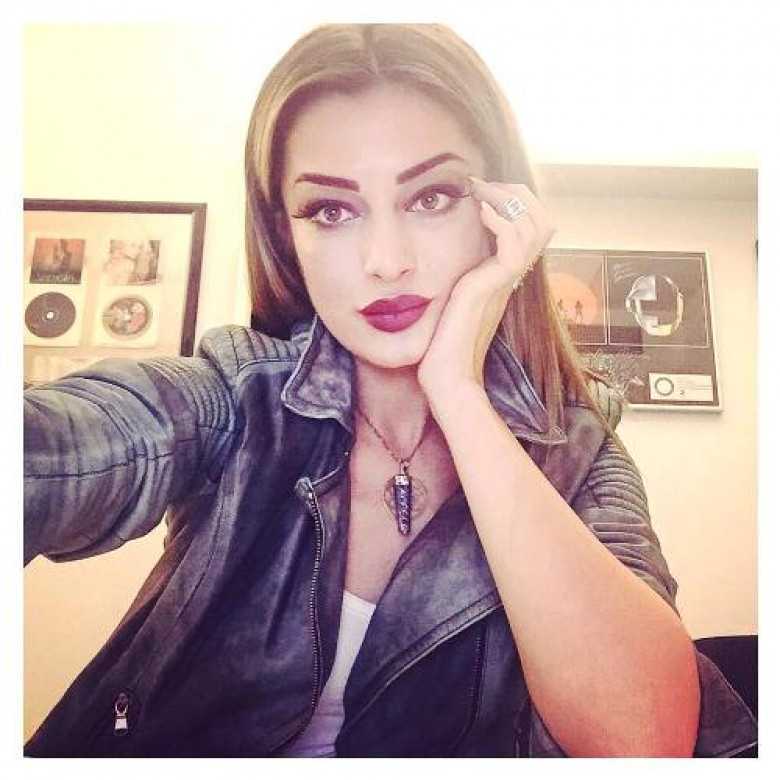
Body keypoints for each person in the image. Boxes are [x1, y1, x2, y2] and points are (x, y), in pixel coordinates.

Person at [23, 23, 757, 758]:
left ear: (499, 212)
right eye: (331, 211)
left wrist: (459, 392)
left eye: (431, 197)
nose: (385, 261)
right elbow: (49, 454)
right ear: (287, 237)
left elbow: (643, 740)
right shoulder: (232, 398)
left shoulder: (581, 452)